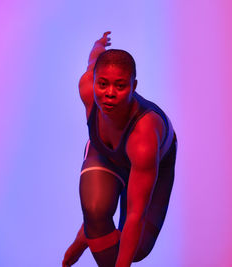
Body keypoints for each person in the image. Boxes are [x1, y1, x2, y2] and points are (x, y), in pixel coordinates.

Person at [62, 31, 177, 267]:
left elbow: (136, 214)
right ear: (93, 81)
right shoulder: (86, 89)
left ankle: (89, 232)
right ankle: (90, 229)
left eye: (120, 86)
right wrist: (99, 44)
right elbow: (94, 58)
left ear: (133, 86)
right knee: (96, 213)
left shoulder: (144, 137)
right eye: (102, 84)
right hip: (106, 151)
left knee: (135, 250)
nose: (110, 94)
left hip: (151, 157)